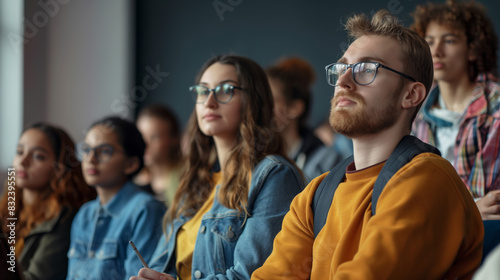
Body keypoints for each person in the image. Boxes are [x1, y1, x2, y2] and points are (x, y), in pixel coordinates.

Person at [252, 10, 483, 279]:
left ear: (411, 95)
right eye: (342, 68)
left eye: (366, 69)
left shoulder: (427, 179)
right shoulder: (314, 195)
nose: (342, 82)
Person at [130, 54, 305, 280]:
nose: (209, 102)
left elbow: (250, 276)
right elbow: (160, 264)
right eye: (203, 91)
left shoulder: (274, 175)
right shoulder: (195, 182)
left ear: (253, 100)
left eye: (225, 90)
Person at [410, 0, 500, 221]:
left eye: (449, 40)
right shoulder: (413, 109)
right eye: (429, 41)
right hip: (432, 226)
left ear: (472, 49)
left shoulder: (496, 106)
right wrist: (468, 211)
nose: (437, 51)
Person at [66, 117, 166, 280]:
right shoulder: (84, 214)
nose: (90, 159)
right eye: (86, 149)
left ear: (131, 164)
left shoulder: (145, 210)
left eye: (104, 151)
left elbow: (138, 275)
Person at [0, 123, 96, 280]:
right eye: (19, 152)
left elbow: (36, 277)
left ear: (59, 168)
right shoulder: (6, 207)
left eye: (37, 156)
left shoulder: (64, 217)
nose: (22, 162)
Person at [266, 57, 332, 180]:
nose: (260, 107)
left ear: (295, 108)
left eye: (270, 100)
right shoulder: (251, 154)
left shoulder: (325, 161)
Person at [135, 104, 184, 206]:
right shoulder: (133, 181)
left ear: (173, 139)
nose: (145, 144)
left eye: (154, 137)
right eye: (141, 136)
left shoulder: (187, 178)